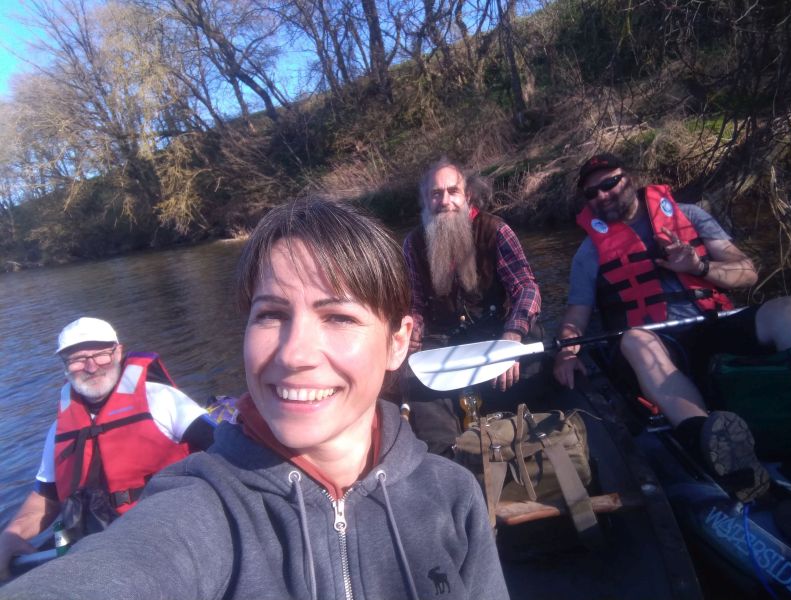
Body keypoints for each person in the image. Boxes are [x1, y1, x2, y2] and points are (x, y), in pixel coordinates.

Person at [0, 199, 509, 599]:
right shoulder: (200, 510)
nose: (293, 354)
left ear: (398, 341)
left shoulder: (453, 497)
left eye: (338, 316)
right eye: (270, 314)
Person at [553, 152, 791, 502]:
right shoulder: (588, 253)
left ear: (631, 179)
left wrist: (699, 266)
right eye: (591, 193)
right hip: (656, 343)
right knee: (636, 341)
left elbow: (747, 272)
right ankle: (710, 441)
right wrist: (566, 350)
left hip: (712, 325)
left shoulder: (691, 216)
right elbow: (576, 317)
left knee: (787, 309)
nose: (602, 195)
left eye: (609, 183)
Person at [0, 317, 214, 580]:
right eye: (77, 359)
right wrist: (12, 534)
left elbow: (225, 450)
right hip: (99, 552)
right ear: (64, 367)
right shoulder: (59, 430)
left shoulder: (162, 399)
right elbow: (46, 498)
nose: (91, 366)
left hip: (174, 536)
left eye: (101, 355)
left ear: (118, 352)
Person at [402, 158, 543, 453]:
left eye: (452, 191)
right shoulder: (413, 244)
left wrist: (512, 339)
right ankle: (448, 456)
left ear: (466, 196)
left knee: (535, 366)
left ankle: (525, 439)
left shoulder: (496, 230)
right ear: (425, 200)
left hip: (496, 334)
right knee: (415, 385)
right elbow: (414, 302)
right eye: (435, 193)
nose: (444, 200)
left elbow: (525, 289)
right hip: (443, 342)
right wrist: (412, 328)